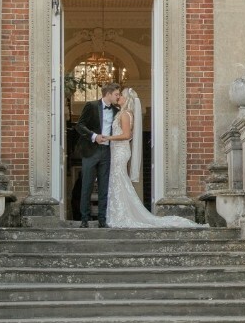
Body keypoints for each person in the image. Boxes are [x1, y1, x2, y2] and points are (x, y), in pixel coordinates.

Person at [104, 87, 203, 229]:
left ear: (127, 99)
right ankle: (118, 213)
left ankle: (121, 215)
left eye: (121, 96)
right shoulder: (124, 113)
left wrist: (108, 137)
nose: (118, 97)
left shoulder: (125, 114)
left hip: (120, 151)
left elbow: (127, 135)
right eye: (117, 95)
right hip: (119, 151)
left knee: (118, 180)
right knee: (118, 181)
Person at [75, 81, 121, 228]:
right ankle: (84, 219)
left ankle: (102, 219)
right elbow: (79, 125)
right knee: (86, 185)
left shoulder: (116, 111)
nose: (118, 97)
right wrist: (94, 136)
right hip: (90, 151)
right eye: (116, 94)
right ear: (108, 94)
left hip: (107, 152)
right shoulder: (92, 106)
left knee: (104, 186)